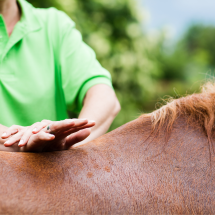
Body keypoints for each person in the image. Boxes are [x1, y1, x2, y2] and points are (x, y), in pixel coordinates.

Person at [0, 0, 121, 152]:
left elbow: (104, 97)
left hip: (52, 172)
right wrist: (20, 140)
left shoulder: (53, 25)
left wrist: (67, 140)